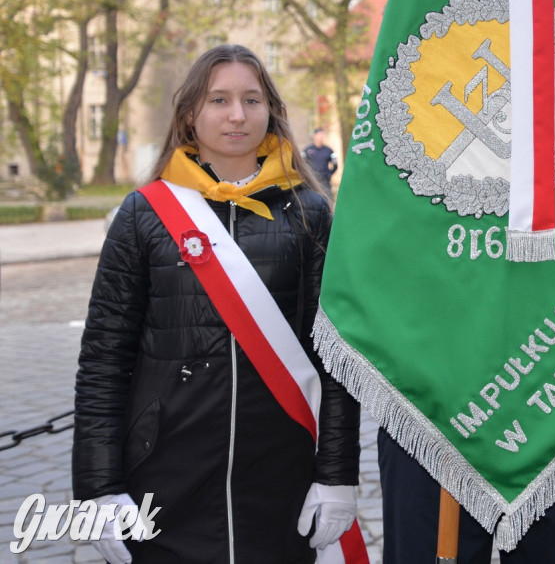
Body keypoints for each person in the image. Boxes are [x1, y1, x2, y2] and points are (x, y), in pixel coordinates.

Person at [72, 45, 361, 563]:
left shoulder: (309, 213)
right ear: (189, 114)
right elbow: (103, 360)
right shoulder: (143, 215)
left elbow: (338, 361)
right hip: (163, 473)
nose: (236, 115)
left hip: (280, 474)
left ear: (271, 110)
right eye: (219, 100)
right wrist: (97, 487)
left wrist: (337, 475)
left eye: (252, 100)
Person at [375, 104, 555, 563]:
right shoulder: (406, 118)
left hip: (552, 403)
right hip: (436, 408)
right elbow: (376, 266)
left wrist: (534, 340)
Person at [304, 127, 339, 192]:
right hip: (312, 182)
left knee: (327, 199)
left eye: (323, 134)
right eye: (320, 134)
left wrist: (328, 174)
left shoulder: (329, 150)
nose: (322, 136)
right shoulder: (307, 150)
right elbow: (302, 164)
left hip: (325, 182)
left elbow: (335, 165)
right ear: (314, 136)